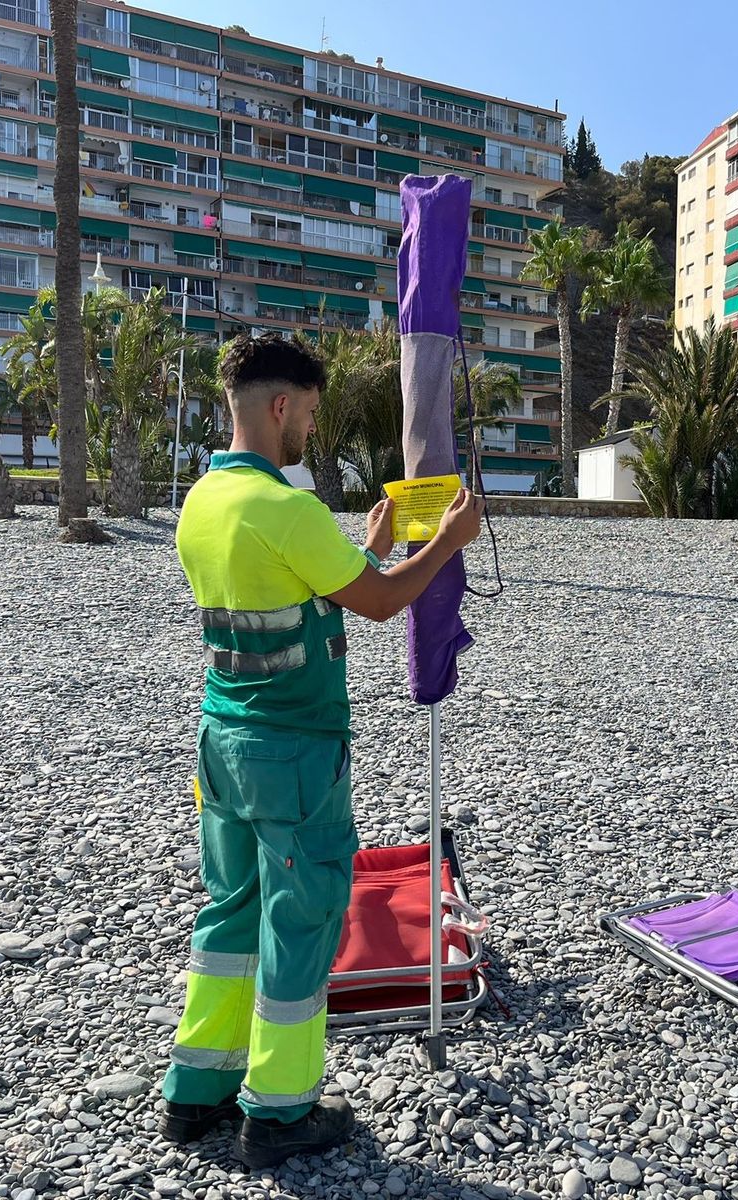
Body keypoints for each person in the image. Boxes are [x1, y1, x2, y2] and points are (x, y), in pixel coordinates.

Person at [160, 334, 482, 1169]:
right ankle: (280, 1109)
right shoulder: (287, 508)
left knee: (229, 914)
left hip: (221, 739)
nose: (308, 427)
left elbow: (293, 592)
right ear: (279, 406)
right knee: (299, 922)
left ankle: (197, 1094)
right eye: (306, 412)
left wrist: (369, 545)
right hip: (293, 751)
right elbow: (376, 605)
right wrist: (445, 543)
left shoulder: (203, 502)